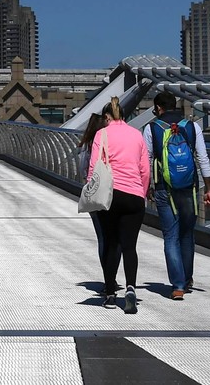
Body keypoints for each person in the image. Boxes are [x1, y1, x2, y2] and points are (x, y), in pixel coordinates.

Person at [143, 91, 210, 301]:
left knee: (170, 236)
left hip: (164, 188)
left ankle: (178, 285)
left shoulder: (152, 128)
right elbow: (203, 158)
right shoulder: (192, 127)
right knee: (187, 234)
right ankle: (187, 278)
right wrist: (209, 188)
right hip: (189, 188)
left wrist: (147, 187)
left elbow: (146, 160)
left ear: (158, 108)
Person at [88, 96, 150, 314]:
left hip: (110, 196)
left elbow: (94, 168)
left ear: (107, 117)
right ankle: (131, 288)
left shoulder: (101, 134)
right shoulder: (137, 135)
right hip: (134, 196)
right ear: (124, 116)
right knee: (129, 247)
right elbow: (145, 170)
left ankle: (110, 294)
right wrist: (141, 193)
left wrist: (92, 193)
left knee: (111, 244)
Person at [78, 113, 120, 275]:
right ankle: (112, 274)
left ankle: (107, 276)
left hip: (94, 193)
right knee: (114, 237)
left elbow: (83, 170)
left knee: (102, 237)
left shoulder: (86, 145)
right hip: (110, 193)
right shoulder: (108, 142)